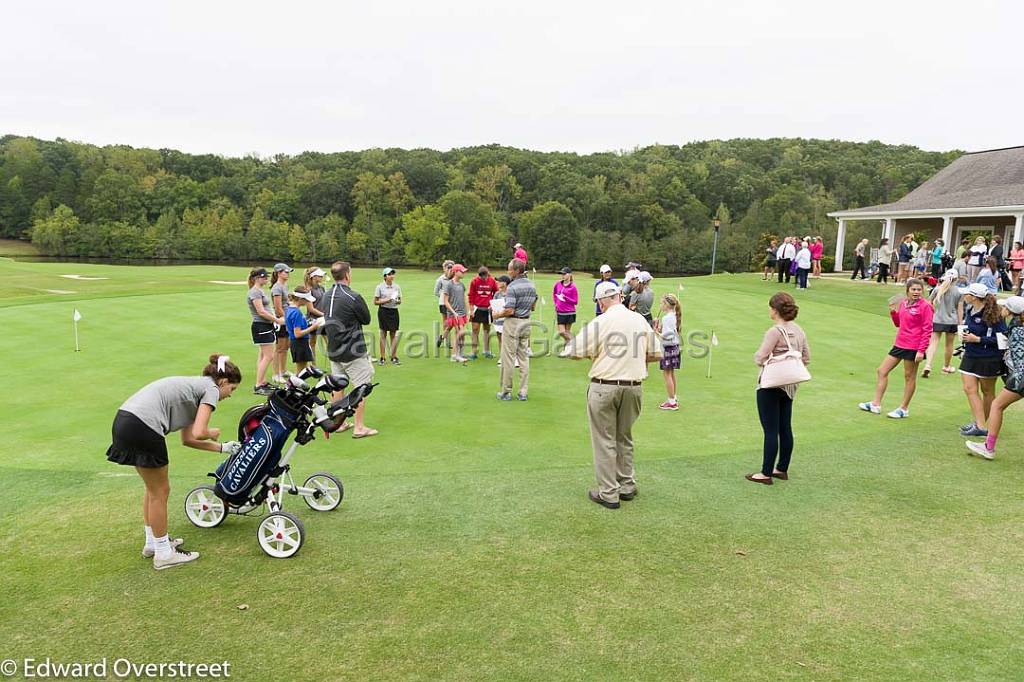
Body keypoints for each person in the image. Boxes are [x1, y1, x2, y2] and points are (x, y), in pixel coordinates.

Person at [106, 354, 242, 570]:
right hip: (143, 425)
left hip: (125, 421)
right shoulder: (212, 389)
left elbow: (188, 440)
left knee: (153, 490)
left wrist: (223, 448)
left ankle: (153, 543)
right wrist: (211, 432)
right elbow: (199, 432)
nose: (230, 395)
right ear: (223, 382)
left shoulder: (194, 388)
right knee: (160, 491)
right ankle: (164, 554)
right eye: (232, 389)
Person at [565, 281, 663, 508]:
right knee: (624, 436)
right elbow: (656, 353)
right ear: (620, 295)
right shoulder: (639, 319)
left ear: (601, 301)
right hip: (634, 387)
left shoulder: (601, 321)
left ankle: (609, 492)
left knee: (604, 440)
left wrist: (595, 355)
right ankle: (626, 484)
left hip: (604, 386)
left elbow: (574, 352)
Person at [747, 292, 811, 484]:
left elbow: (760, 357)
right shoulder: (799, 330)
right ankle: (781, 468)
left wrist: (768, 361)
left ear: (775, 310)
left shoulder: (774, 331)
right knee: (785, 427)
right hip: (790, 385)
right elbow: (806, 358)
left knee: (770, 429)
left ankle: (765, 473)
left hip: (771, 384)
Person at [859, 278, 933, 418]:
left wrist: (921, 350)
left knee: (909, 377)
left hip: (914, 346)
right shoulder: (904, 303)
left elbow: (927, 329)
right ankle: (876, 404)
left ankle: (903, 409)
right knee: (882, 371)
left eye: (919, 290)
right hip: (900, 343)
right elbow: (899, 324)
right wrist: (893, 312)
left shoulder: (925, 306)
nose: (916, 292)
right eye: (913, 289)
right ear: (907, 291)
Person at [323, 261, 377, 439]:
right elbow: (366, 319)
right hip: (352, 350)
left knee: (338, 386)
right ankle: (359, 427)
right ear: (347, 275)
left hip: (333, 349)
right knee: (361, 387)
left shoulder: (326, 294)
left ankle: (339, 423)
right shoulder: (353, 296)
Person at [965, 296, 1024, 459]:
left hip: (1020, 377)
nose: (1002, 309)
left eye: (1005, 307)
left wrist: (1013, 380)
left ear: (1011, 311)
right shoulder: (1015, 325)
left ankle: (988, 448)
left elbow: (1019, 360)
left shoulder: (1018, 329)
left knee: (996, 405)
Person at [956, 283, 1007, 437]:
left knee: (987, 391)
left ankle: (982, 425)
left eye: (967, 294)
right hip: (971, 354)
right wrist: (964, 343)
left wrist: (978, 339)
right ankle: (980, 424)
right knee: (969, 388)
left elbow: (1003, 339)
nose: (964, 296)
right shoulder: (970, 309)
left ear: (974, 297)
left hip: (989, 358)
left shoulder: (994, 313)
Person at [493, 258, 536, 400]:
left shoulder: (512, 287)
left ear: (516, 271)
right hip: (526, 322)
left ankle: (506, 391)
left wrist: (497, 314)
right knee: (524, 358)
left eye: (510, 269)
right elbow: (533, 306)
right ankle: (523, 392)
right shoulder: (532, 285)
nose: (508, 271)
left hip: (513, 323)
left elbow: (509, 310)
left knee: (508, 357)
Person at [246, 267, 283, 396]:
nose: (267, 279)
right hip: (261, 326)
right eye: (264, 277)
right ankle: (258, 385)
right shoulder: (255, 292)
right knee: (269, 356)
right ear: (257, 278)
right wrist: (277, 320)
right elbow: (261, 311)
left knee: (263, 355)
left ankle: (262, 382)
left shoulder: (259, 291)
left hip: (265, 326)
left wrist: (273, 320)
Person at [923, 270, 964, 377]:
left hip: (937, 319)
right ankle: (946, 366)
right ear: (956, 279)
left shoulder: (937, 289)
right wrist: (960, 324)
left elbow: (929, 303)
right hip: (951, 321)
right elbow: (960, 310)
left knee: (933, 343)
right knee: (949, 344)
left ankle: (928, 365)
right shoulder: (959, 292)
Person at [285, 287, 321, 373]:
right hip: (299, 343)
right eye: (306, 300)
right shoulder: (296, 313)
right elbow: (297, 334)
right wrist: (313, 327)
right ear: (301, 299)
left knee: (302, 370)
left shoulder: (289, 309)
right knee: (301, 371)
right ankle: (293, 386)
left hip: (296, 343)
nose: (308, 302)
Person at [656, 293, 682, 410]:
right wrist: (659, 327)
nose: (660, 305)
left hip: (668, 348)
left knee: (667, 375)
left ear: (666, 305)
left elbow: (667, 337)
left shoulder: (666, 318)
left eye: (662, 303)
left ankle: (672, 402)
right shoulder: (673, 315)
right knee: (671, 373)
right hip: (675, 347)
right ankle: (673, 398)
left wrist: (656, 332)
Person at [373, 267, 402, 366]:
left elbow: (400, 300)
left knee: (393, 334)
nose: (392, 276)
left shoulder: (397, 287)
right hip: (383, 311)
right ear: (385, 276)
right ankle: (382, 357)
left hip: (393, 311)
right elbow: (375, 302)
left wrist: (396, 301)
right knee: (383, 334)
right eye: (389, 274)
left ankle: (394, 356)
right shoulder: (380, 287)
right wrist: (386, 300)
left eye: (392, 274)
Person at [269, 263, 293, 383]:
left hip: (287, 319)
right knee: (279, 348)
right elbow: (278, 308)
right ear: (279, 273)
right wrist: (288, 321)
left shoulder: (284, 285)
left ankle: (283, 370)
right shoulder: (277, 287)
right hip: (281, 320)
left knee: (285, 347)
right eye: (285, 272)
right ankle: (275, 374)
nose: (287, 274)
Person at [468, 266, 498, 359]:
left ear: (487, 274)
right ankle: (474, 351)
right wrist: (472, 309)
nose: (483, 278)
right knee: (475, 330)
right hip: (477, 308)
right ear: (479, 275)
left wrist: (492, 304)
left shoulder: (492, 281)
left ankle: (487, 350)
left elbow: (496, 292)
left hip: (488, 309)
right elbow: (471, 295)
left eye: (485, 276)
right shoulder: (474, 281)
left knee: (486, 330)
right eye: (482, 277)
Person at [442, 264, 469, 363]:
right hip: (454, 313)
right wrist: (454, 312)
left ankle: (460, 354)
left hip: (462, 313)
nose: (463, 273)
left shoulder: (461, 285)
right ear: (456, 272)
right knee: (459, 332)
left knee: (462, 334)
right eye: (462, 271)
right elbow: (446, 301)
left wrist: (468, 311)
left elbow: (464, 298)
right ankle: (455, 354)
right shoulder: (449, 284)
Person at [489, 275, 516, 369]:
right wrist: (491, 307)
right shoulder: (497, 293)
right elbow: (494, 303)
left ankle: (513, 358)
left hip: (507, 319)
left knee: (509, 340)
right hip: (498, 320)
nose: (497, 283)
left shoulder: (511, 293)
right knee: (500, 339)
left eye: (499, 281)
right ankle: (502, 357)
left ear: (505, 283)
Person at [303, 267, 328, 367]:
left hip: (323, 318)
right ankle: (313, 365)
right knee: (312, 342)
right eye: (320, 275)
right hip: (313, 319)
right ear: (314, 277)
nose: (322, 277)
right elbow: (311, 308)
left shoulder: (321, 287)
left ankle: (334, 364)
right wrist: (323, 315)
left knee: (329, 342)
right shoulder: (308, 290)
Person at [553, 267, 579, 344]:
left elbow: (575, 301)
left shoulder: (573, 287)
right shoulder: (558, 284)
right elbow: (554, 294)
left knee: (567, 332)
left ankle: (567, 350)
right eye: (562, 274)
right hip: (560, 312)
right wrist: (556, 303)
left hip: (570, 312)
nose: (563, 275)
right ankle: (574, 343)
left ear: (570, 275)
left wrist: (565, 297)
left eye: (564, 274)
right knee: (561, 332)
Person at [433, 260, 454, 349]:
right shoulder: (440, 279)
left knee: (452, 322)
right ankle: (447, 342)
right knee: (446, 322)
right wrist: (443, 298)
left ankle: (442, 337)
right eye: (448, 267)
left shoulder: (454, 278)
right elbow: (436, 292)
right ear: (444, 268)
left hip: (453, 303)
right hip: (443, 303)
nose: (449, 269)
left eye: (451, 267)